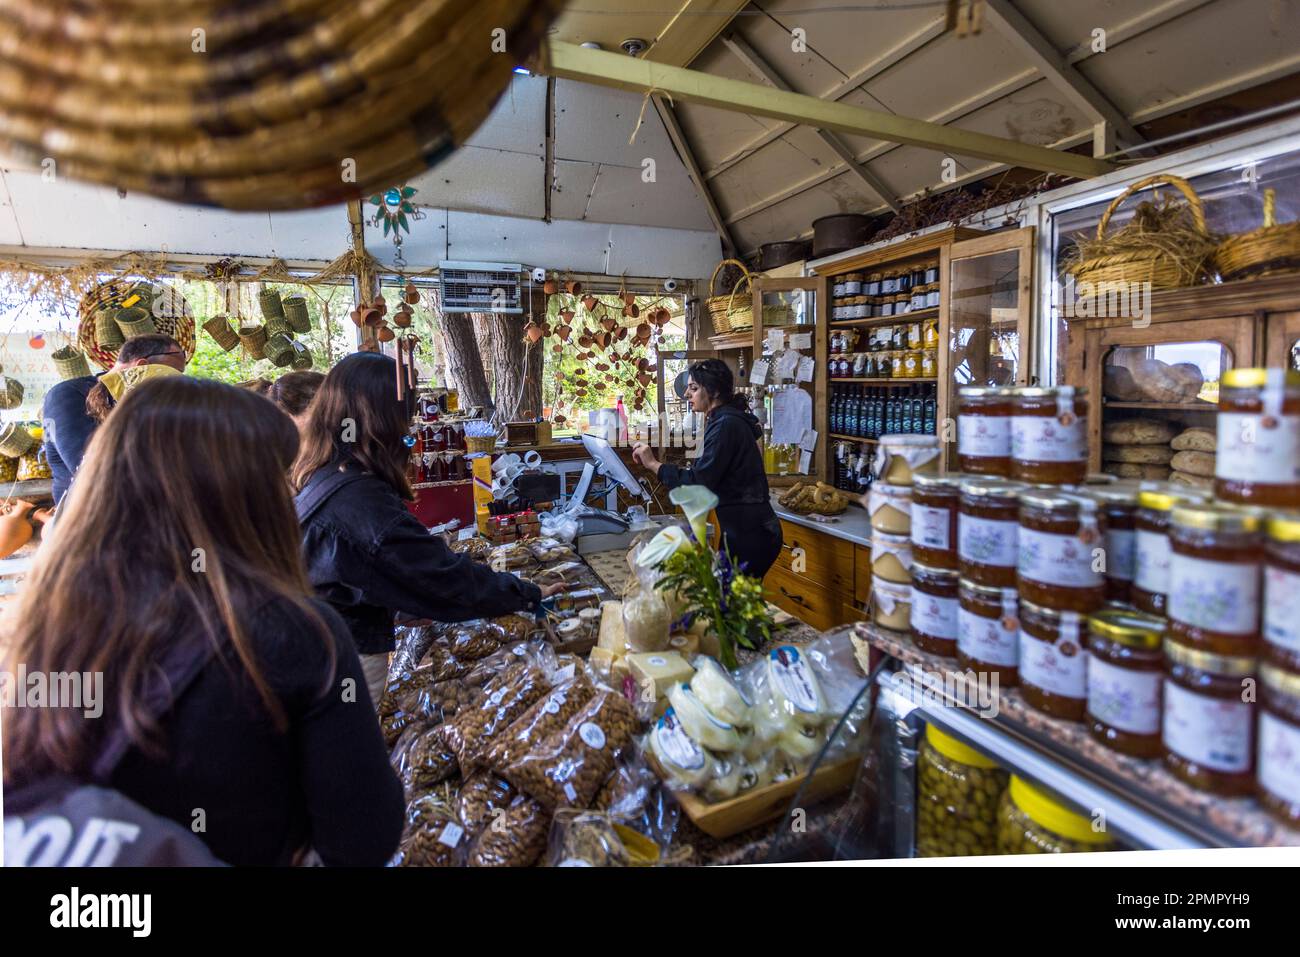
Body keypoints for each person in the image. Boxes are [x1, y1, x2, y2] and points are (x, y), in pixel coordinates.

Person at [2, 376, 403, 866]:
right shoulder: (294, 633)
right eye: (278, 472)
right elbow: (363, 837)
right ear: (245, 492)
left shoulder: (35, 632)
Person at [291, 352, 564, 704]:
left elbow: (359, 571)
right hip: (341, 661)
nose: (410, 432)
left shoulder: (327, 476)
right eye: (405, 420)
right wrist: (525, 593)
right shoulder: (359, 497)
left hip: (319, 651)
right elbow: (441, 577)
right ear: (381, 418)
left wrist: (404, 602)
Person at [631, 358, 783, 578]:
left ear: (713, 391)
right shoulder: (722, 420)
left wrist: (654, 464)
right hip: (745, 529)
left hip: (752, 533)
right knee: (727, 601)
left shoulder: (726, 425)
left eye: (693, 388)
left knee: (730, 603)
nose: (686, 394)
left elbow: (699, 483)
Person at [42, 333, 187, 505]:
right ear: (141, 367)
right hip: (86, 516)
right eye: (170, 374)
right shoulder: (68, 394)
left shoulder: (145, 403)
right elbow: (92, 468)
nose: (173, 385)